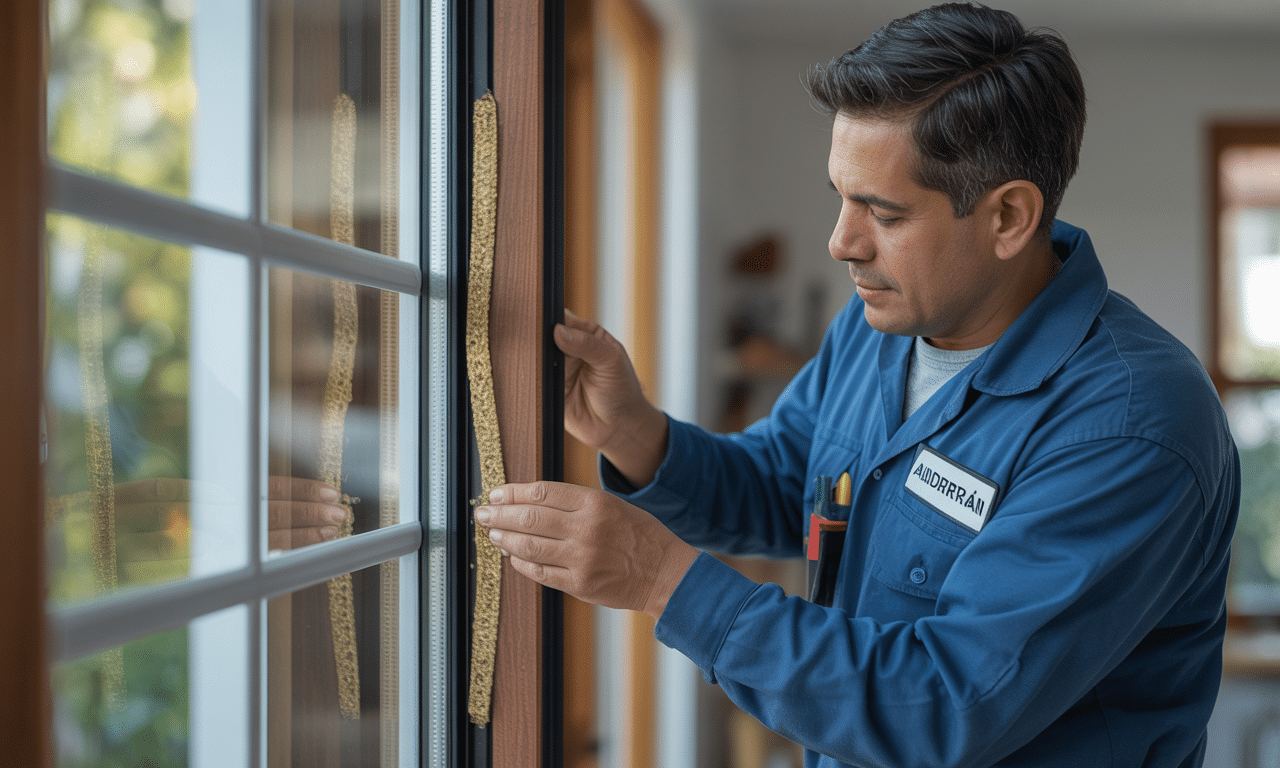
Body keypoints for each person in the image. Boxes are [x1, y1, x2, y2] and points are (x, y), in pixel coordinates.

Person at [474, 3, 1241, 766]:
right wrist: (632, 431)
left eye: (883, 212)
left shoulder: (1133, 424)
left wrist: (659, 579)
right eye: (842, 196)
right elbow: (788, 487)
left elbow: (944, 702)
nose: (842, 242)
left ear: (1009, 216)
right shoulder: (881, 328)